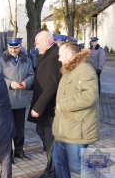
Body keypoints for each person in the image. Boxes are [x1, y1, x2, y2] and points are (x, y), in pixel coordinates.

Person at [52, 43, 99, 177]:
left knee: (77, 166)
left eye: (60, 55)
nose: (58, 59)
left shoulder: (84, 69)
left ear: (68, 55)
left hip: (77, 130)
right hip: (64, 129)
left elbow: (90, 96)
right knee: (59, 161)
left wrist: (63, 105)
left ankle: (103, 173)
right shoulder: (69, 70)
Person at [27, 31, 62, 178]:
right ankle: (51, 168)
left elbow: (52, 85)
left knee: (50, 140)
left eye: (37, 43)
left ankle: (52, 172)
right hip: (44, 106)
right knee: (42, 133)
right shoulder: (47, 54)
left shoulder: (54, 56)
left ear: (47, 42)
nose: (35, 46)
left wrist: (38, 107)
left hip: (49, 108)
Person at [0, 37, 34, 163]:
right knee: (8, 129)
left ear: (20, 46)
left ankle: (19, 151)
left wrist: (26, 83)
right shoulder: (0, 60)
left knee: (20, 128)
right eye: (10, 47)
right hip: (7, 100)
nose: (13, 50)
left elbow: (31, 74)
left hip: (21, 99)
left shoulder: (26, 59)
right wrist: (10, 83)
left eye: (15, 47)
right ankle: (8, 154)